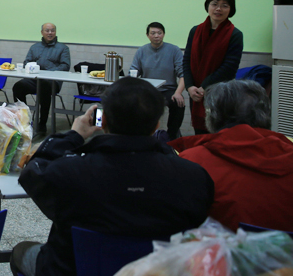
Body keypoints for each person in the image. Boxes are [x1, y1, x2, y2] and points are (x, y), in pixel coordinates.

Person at [12, 78, 213, 276]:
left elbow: (32, 173)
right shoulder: (193, 178)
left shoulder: (70, 172)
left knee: (20, 251)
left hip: (74, 268)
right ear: (156, 126)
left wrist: (74, 136)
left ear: (104, 120)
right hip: (158, 271)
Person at [170, 80, 293, 232]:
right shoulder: (287, 147)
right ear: (265, 113)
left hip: (223, 245)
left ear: (212, 116)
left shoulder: (192, 161)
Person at [183, 0, 243, 134]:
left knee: (218, 134)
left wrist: (205, 87)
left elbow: (229, 67)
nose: (218, 9)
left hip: (220, 93)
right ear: (207, 6)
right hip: (196, 93)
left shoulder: (235, 34)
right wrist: (190, 86)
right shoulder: (195, 31)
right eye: (214, 4)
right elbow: (186, 60)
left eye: (224, 5)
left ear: (231, 9)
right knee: (199, 134)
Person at [12, 23, 70, 136]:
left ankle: (42, 124)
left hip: (52, 81)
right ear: (42, 32)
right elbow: (26, 62)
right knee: (18, 86)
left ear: (55, 32)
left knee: (44, 87)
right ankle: (23, 120)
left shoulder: (63, 48)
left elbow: (65, 66)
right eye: (47, 30)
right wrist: (32, 67)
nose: (50, 33)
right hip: (34, 79)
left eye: (52, 30)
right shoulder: (34, 47)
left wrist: (48, 71)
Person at [130, 22, 186, 139]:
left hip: (168, 89)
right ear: (147, 35)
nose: (156, 36)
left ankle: (172, 135)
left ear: (164, 34)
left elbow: (183, 74)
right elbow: (134, 72)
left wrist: (178, 92)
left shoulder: (174, 50)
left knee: (178, 103)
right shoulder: (141, 51)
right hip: (148, 90)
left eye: (159, 33)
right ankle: (141, 134)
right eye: (153, 33)